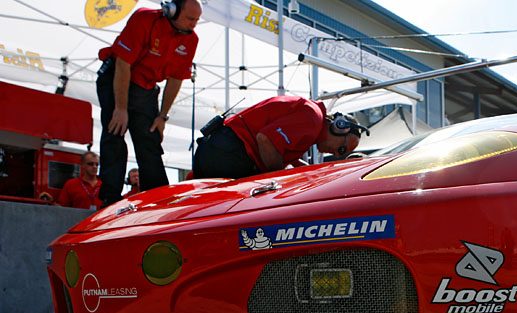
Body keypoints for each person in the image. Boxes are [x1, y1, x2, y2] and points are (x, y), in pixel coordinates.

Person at [96, 0, 202, 205]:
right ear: (172, 11)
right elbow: (123, 64)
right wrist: (120, 108)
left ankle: (158, 199)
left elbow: (176, 79)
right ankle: (109, 199)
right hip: (116, 77)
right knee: (115, 131)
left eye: (197, 20)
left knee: (149, 139)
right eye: (190, 19)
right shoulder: (144, 19)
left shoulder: (191, 40)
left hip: (145, 88)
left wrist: (162, 116)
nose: (193, 24)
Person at [192, 95, 368, 180]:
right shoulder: (312, 120)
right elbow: (266, 140)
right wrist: (278, 180)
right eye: (342, 149)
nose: (337, 154)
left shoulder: (311, 115)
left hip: (220, 150)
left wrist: (307, 171)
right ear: (339, 128)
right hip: (229, 155)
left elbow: (279, 146)